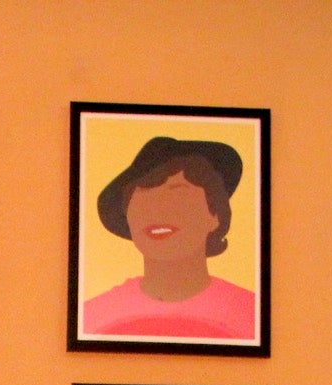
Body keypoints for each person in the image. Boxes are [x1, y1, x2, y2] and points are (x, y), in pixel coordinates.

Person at [82, 136, 258, 342]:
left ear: (215, 215)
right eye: (144, 198)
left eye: (178, 195)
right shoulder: (92, 317)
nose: (158, 210)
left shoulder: (250, 314)